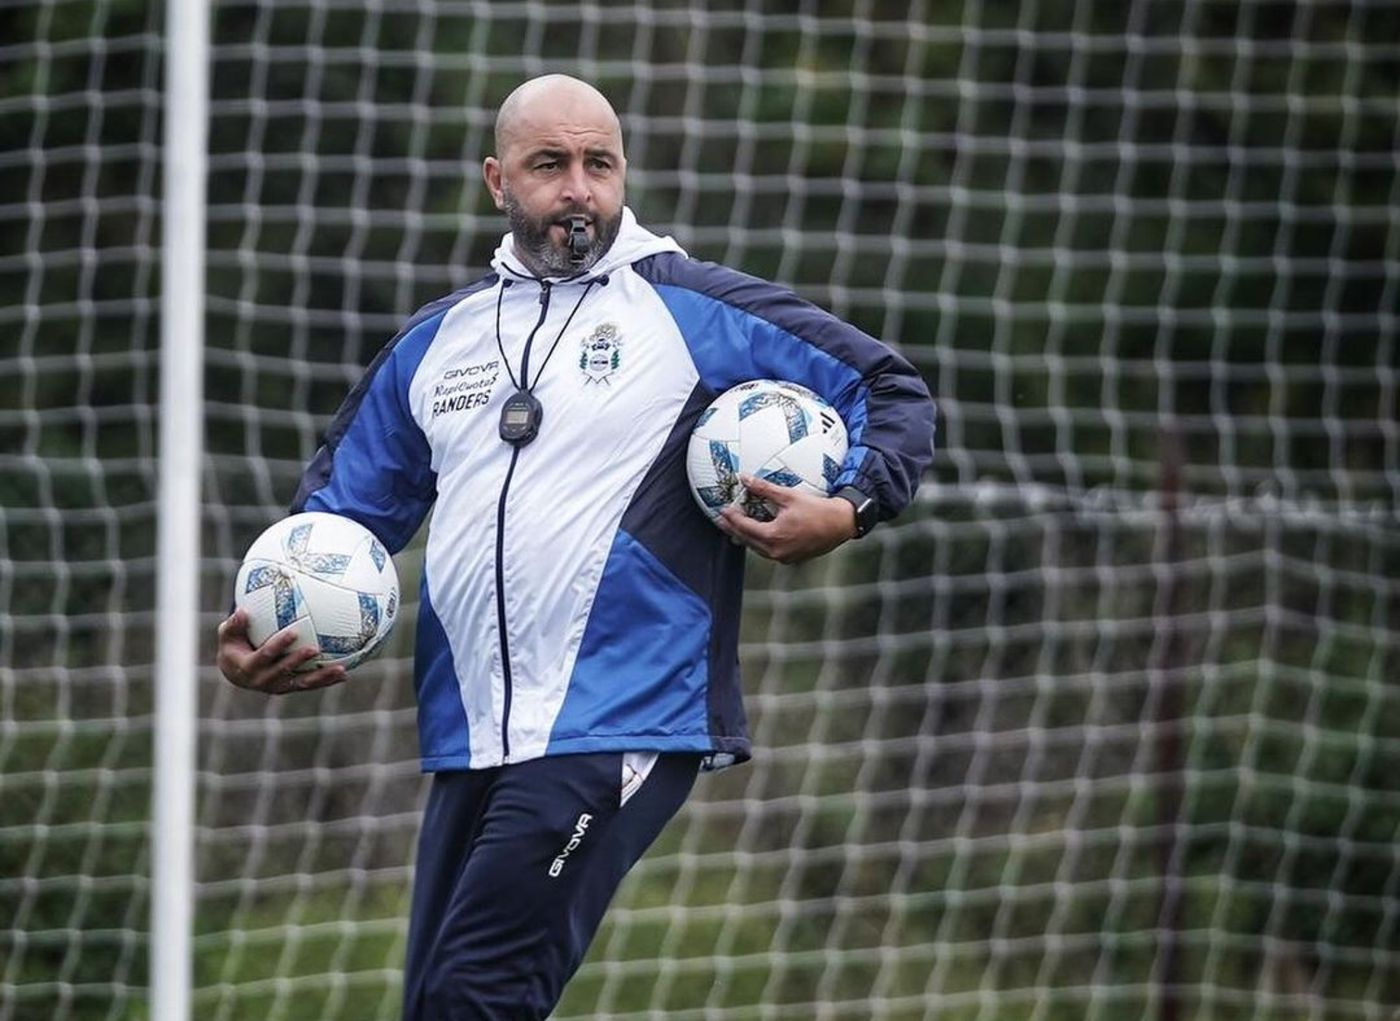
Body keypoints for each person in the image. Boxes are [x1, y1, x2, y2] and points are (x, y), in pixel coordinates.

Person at [216, 74, 935, 1020]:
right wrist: (265, 625)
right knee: (439, 1001)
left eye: (599, 164)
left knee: (477, 996)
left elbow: (888, 388)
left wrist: (847, 507)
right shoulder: (441, 342)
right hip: (470, 737)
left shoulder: (691, 307)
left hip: (618, 719)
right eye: (549, 165)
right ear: (497, 180)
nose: (579, 190)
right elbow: (337, 522)